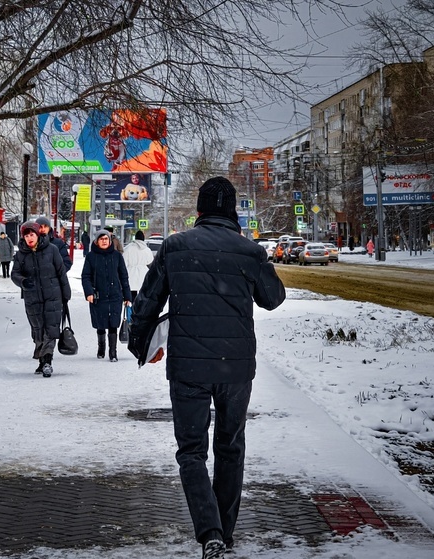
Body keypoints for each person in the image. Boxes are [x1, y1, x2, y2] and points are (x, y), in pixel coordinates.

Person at [128, 177, 286, 559]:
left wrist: (141, 345)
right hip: (235, 367)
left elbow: (147, 301)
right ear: (233, 212)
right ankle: (224, 533)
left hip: (188, 368)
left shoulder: (175, 247)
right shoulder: (249, 252)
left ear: (198, 211)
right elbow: (273, 299)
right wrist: (253, 260)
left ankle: (210, 533)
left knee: (192, 451)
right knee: (230, 448)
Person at [11, 221, 71, 377]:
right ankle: (41, 361)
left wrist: (66, 294)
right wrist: (23, 281)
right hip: (32, 298)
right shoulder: (20, 254)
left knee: (50, 330)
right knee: (38, 331)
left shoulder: (52, 250)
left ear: (38, 235)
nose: (30, 238)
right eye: (26, 235)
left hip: (53, 296)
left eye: (32, 235)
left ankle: (47, 362)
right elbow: (14, 274)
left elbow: (61, 273)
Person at [81, 230, 131, 362]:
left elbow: (123, 276)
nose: (104, 241)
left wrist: (127, 296)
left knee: (114, 322)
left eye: (106, 239)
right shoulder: (91, 257)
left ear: (110, 241)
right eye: (101, 239)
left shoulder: (117, 256)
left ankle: (113, 352)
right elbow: (86, 276)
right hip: (98, 295)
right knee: (101, 322)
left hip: (115, 295)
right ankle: (101, 347)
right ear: (96, 241)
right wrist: (89, 292)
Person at [123, 230, 153, 301]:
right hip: (143, 273)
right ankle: (141, 309)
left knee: (132, 293)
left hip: (131, 273)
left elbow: (124, 261)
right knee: (142, 292)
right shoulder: (146, 249)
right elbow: (150, 260)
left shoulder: (128, 248)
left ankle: (132, 308)